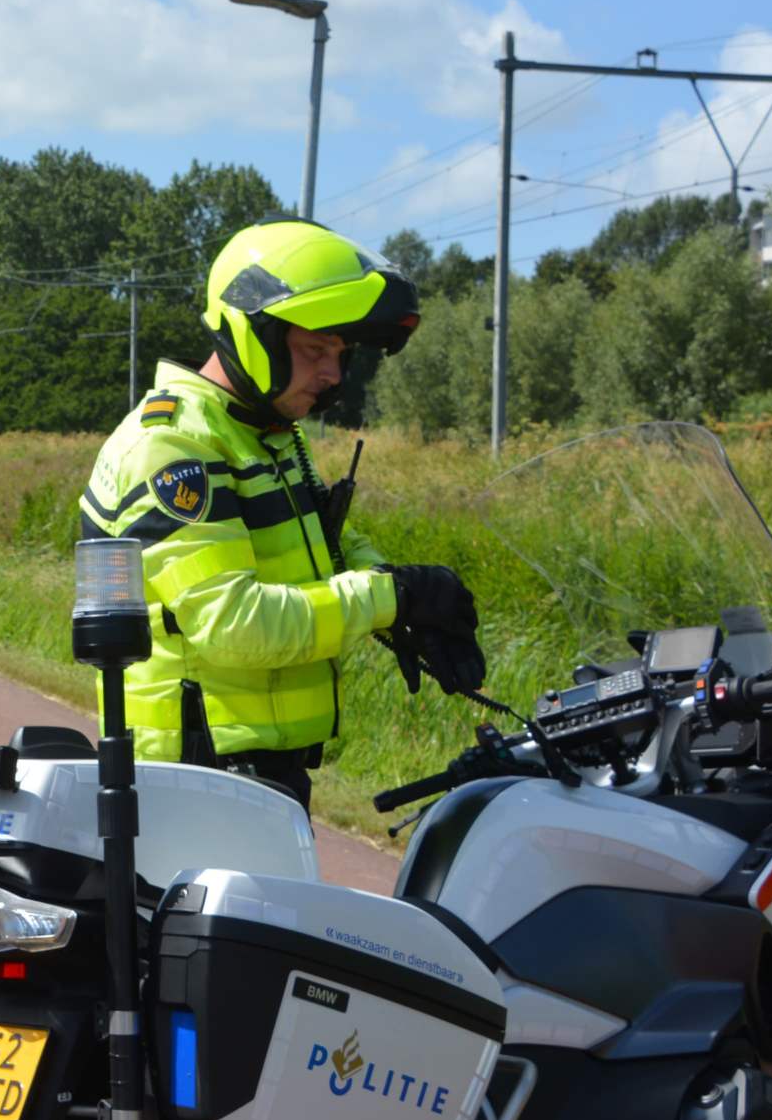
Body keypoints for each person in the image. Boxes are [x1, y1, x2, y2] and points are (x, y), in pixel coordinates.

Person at [78, 220, 486, 809]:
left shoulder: (259, 435)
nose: (333, 375)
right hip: (194, 782)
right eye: (315, 350)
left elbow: (325, 546)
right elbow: (233, 622)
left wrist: (408, 598)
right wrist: (390, 595)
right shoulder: (175, 446)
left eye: (340, 354)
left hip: (256, 773)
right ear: (254, 333)